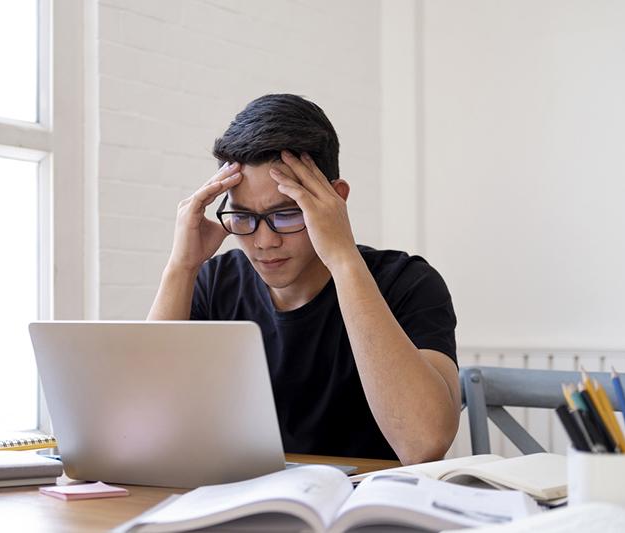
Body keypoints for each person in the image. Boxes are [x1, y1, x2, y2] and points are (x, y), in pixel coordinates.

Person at [148, 94, 460, 464]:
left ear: (335, 199)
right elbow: (141, 426)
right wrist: (180, 267)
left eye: (286, 214)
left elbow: (424, 443)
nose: (264, 241)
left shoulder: (408, 283)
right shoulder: (214, 282)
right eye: (243, 217)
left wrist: (343, 259)